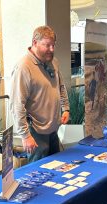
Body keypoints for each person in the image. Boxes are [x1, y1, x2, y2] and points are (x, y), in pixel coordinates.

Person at [10, 25, 70, 162]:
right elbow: (17, 105)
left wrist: (65, 108)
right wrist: (25, 136)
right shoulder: (23, 67)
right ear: (35, 43)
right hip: (35, 132)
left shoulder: (53, 62)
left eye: (53, 45)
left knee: (57, 168)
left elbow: (60, 86)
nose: (52, 49)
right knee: (38, 176)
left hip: (53, 128)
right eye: (47, 45)